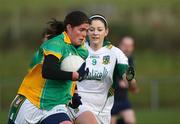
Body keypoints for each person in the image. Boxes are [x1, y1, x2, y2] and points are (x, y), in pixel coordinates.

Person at [7, 11, 90, 124]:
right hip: (32, 101)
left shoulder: (82, 50)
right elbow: (48, 71)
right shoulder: (56, 44)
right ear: (69, 28)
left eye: (86, 30)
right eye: (81, 30)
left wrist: (74, 94)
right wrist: (72, 75)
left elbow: (72, 74)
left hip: (56, 105)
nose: (84, 34)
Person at [72, 14, 130, 124]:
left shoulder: (115, 52)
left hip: (103, 111)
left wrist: (129, 80)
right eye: (91, 29)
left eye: (99, 29)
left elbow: (127, 78)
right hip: (80, 105)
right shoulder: (78, 49)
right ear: (87, 31)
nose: (95, 33)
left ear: (106, 31)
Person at [111, 36, 138, 124]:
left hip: (123, 99)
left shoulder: (130, 60)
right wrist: (119, 82)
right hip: (111, 99)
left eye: (130, 46)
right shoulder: (112, 58)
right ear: (119, 45)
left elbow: (131, 78)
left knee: (130, 121)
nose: (127, 48)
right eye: (125, 45)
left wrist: (133, 87)